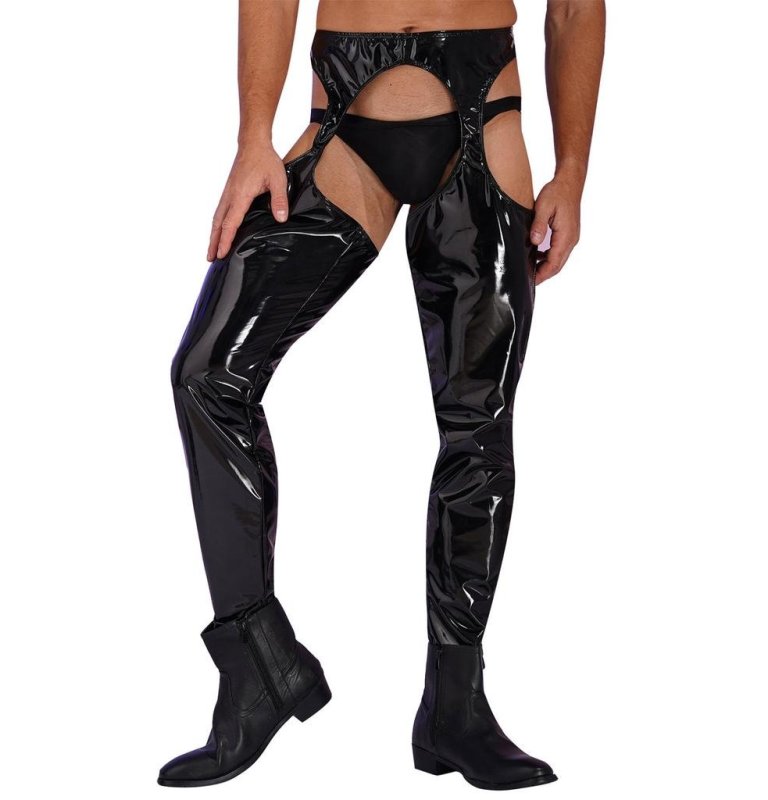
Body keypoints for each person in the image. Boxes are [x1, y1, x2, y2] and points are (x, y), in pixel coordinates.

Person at [158, 0, 605, 790]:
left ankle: (455, 708)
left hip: (481, 114)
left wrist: (572, 171)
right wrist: (254, 136)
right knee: (208, 376)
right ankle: (257, 663)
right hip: (343, 117)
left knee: (478, 422)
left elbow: (574, 7)